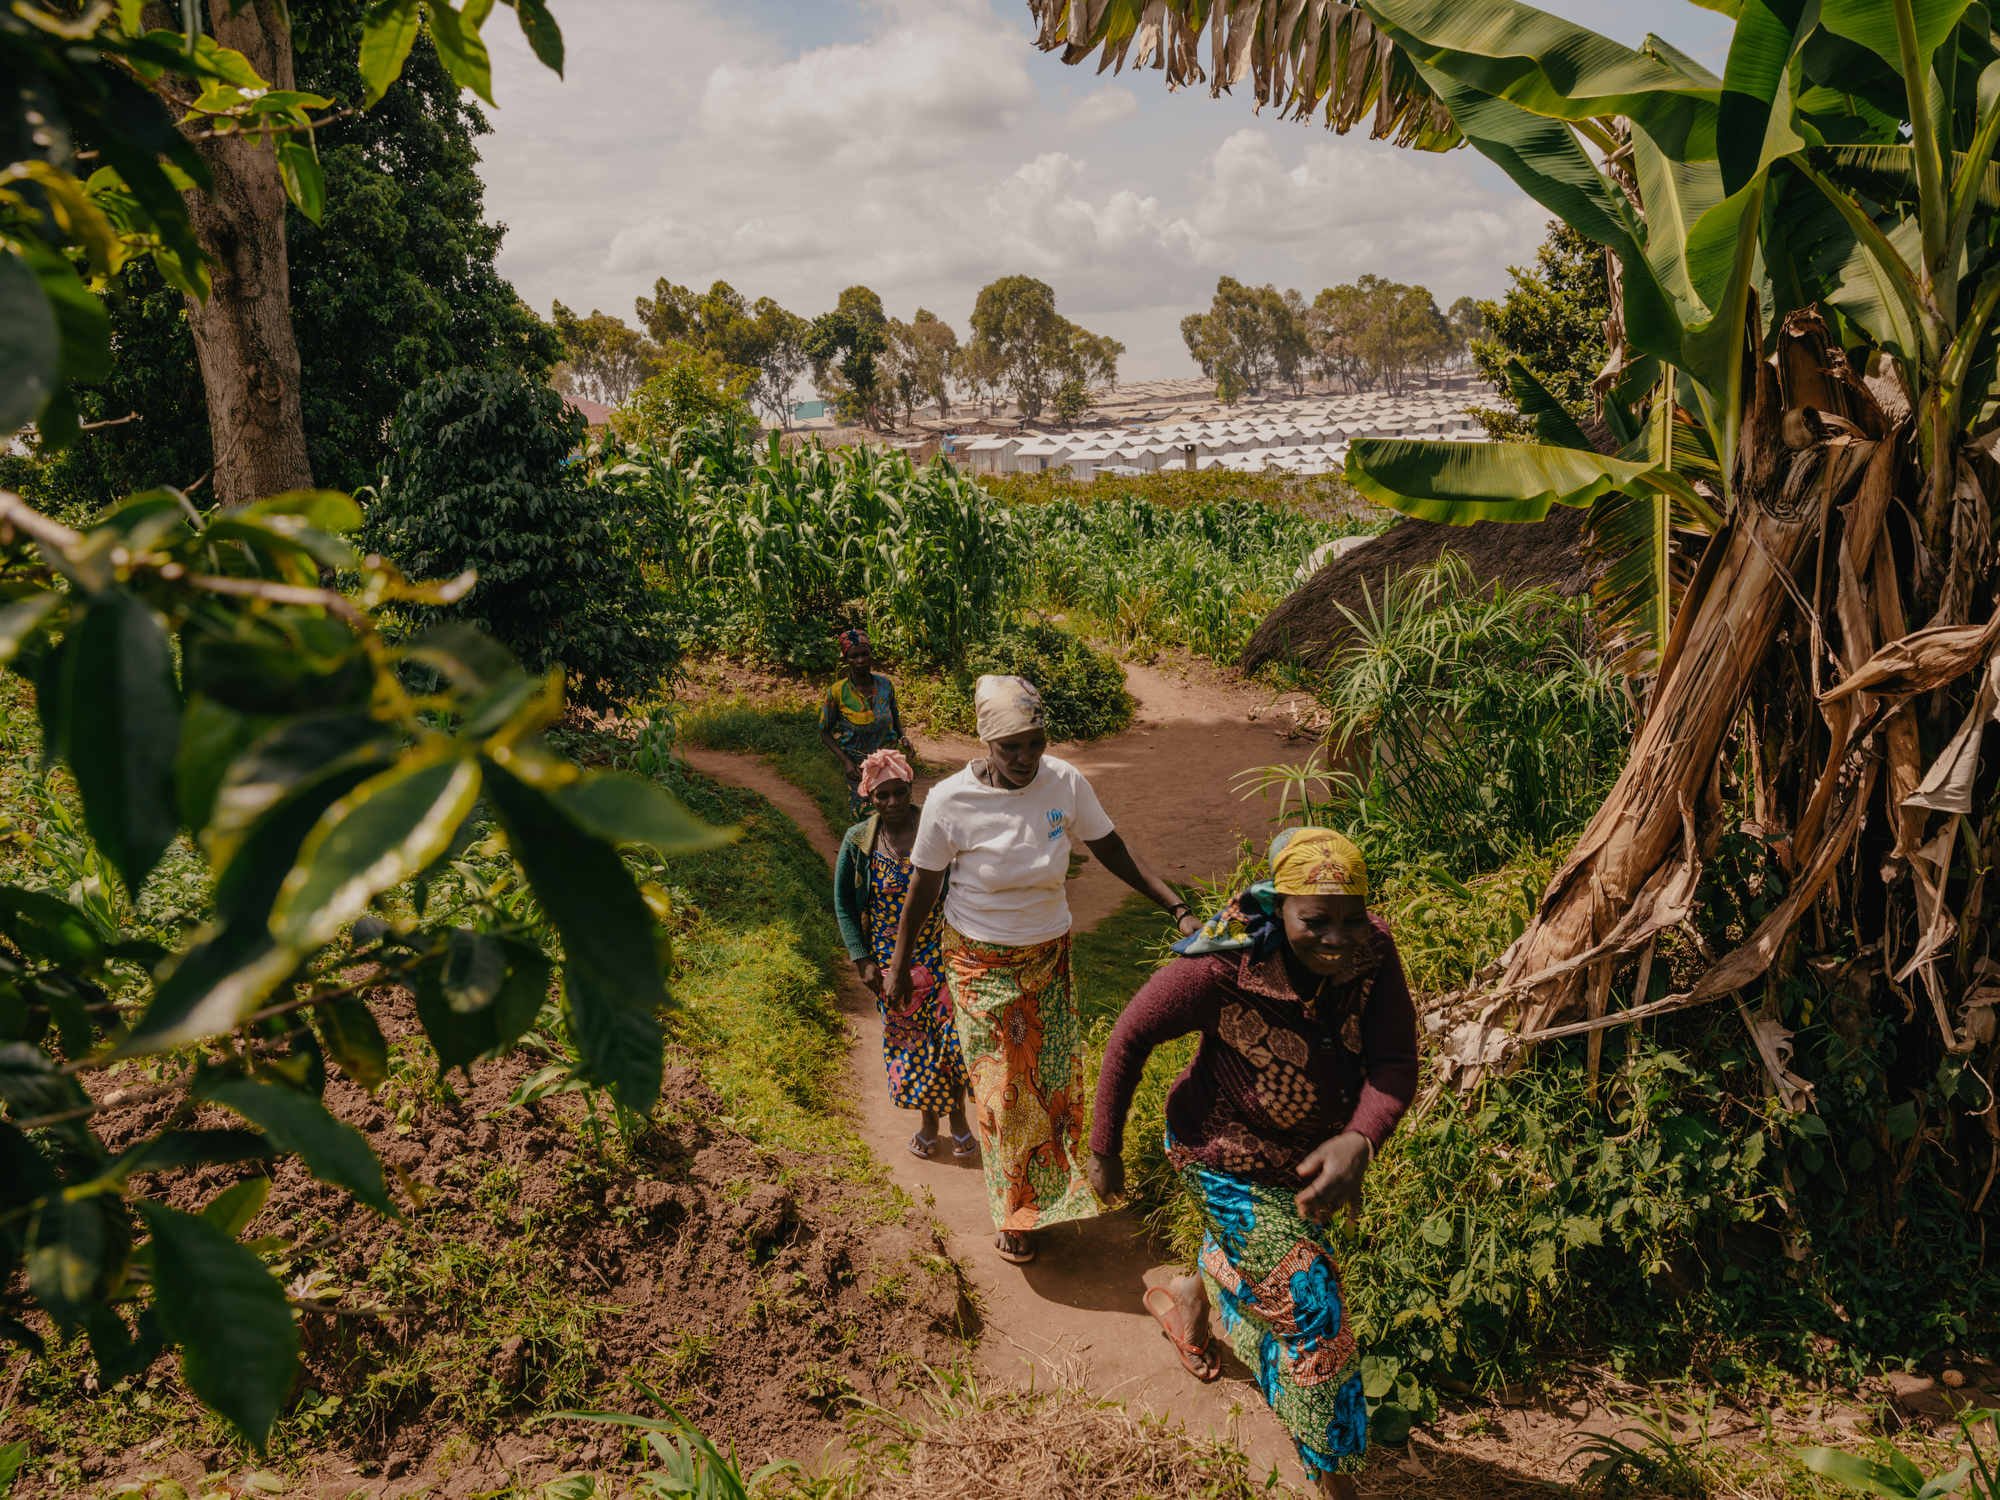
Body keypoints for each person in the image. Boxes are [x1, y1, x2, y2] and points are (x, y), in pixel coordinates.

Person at [1088, 828, 1418, 1499]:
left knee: (1295, 1293)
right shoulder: (1220, 965)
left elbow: (1394, 1061)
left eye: (1352, 917)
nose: (1339, 937)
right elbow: (1130, 1035)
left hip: (1306, 1166)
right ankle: (1335, 1478)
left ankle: (1199, 1291)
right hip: (1220, 1158)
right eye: (1315, 921)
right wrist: (1104, 1149)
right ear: (1278, 908)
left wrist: (1361, 1138)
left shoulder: (1374, 952)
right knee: (1312, 1302)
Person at [885, 674, 1201, 1265]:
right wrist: (898, 966)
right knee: (1006, 1093)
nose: (1026, 758)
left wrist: (1174, 905)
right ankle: (1016, 1213)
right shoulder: (953, 801)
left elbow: (1111, 848)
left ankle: (1046, 1194)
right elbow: (923, 887)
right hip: (978, 963)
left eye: (1036, 742)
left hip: (1047, 959)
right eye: (1011, 748)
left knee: (1050, 1087)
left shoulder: (1065, 783)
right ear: (985, 743)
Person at [833, 748, 973, 1158]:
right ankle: (930, 1124)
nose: (892, 802)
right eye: (883, 796)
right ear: (869, 798)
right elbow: (844, 902)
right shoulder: (859, 840)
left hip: (941, 950)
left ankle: (960, 1118)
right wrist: (863, 960)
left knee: (951, 1040)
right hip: (892, 964)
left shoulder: (935, 829)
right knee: (913, 1042)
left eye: (899, 792)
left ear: (911, 789)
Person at [819, 626, 909, 820]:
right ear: (846, 659)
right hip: (858, 767)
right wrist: (846, 762)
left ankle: (888, 850)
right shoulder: (836, 692)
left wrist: (902, 736)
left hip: (888, 762)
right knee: (864, 816)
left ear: (871, 655)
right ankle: (861, 849)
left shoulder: (885, 685)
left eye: (864, 654)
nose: (860, 661)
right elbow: (824, 732)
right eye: (854, 656)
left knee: (893, 811)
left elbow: (894, 714)